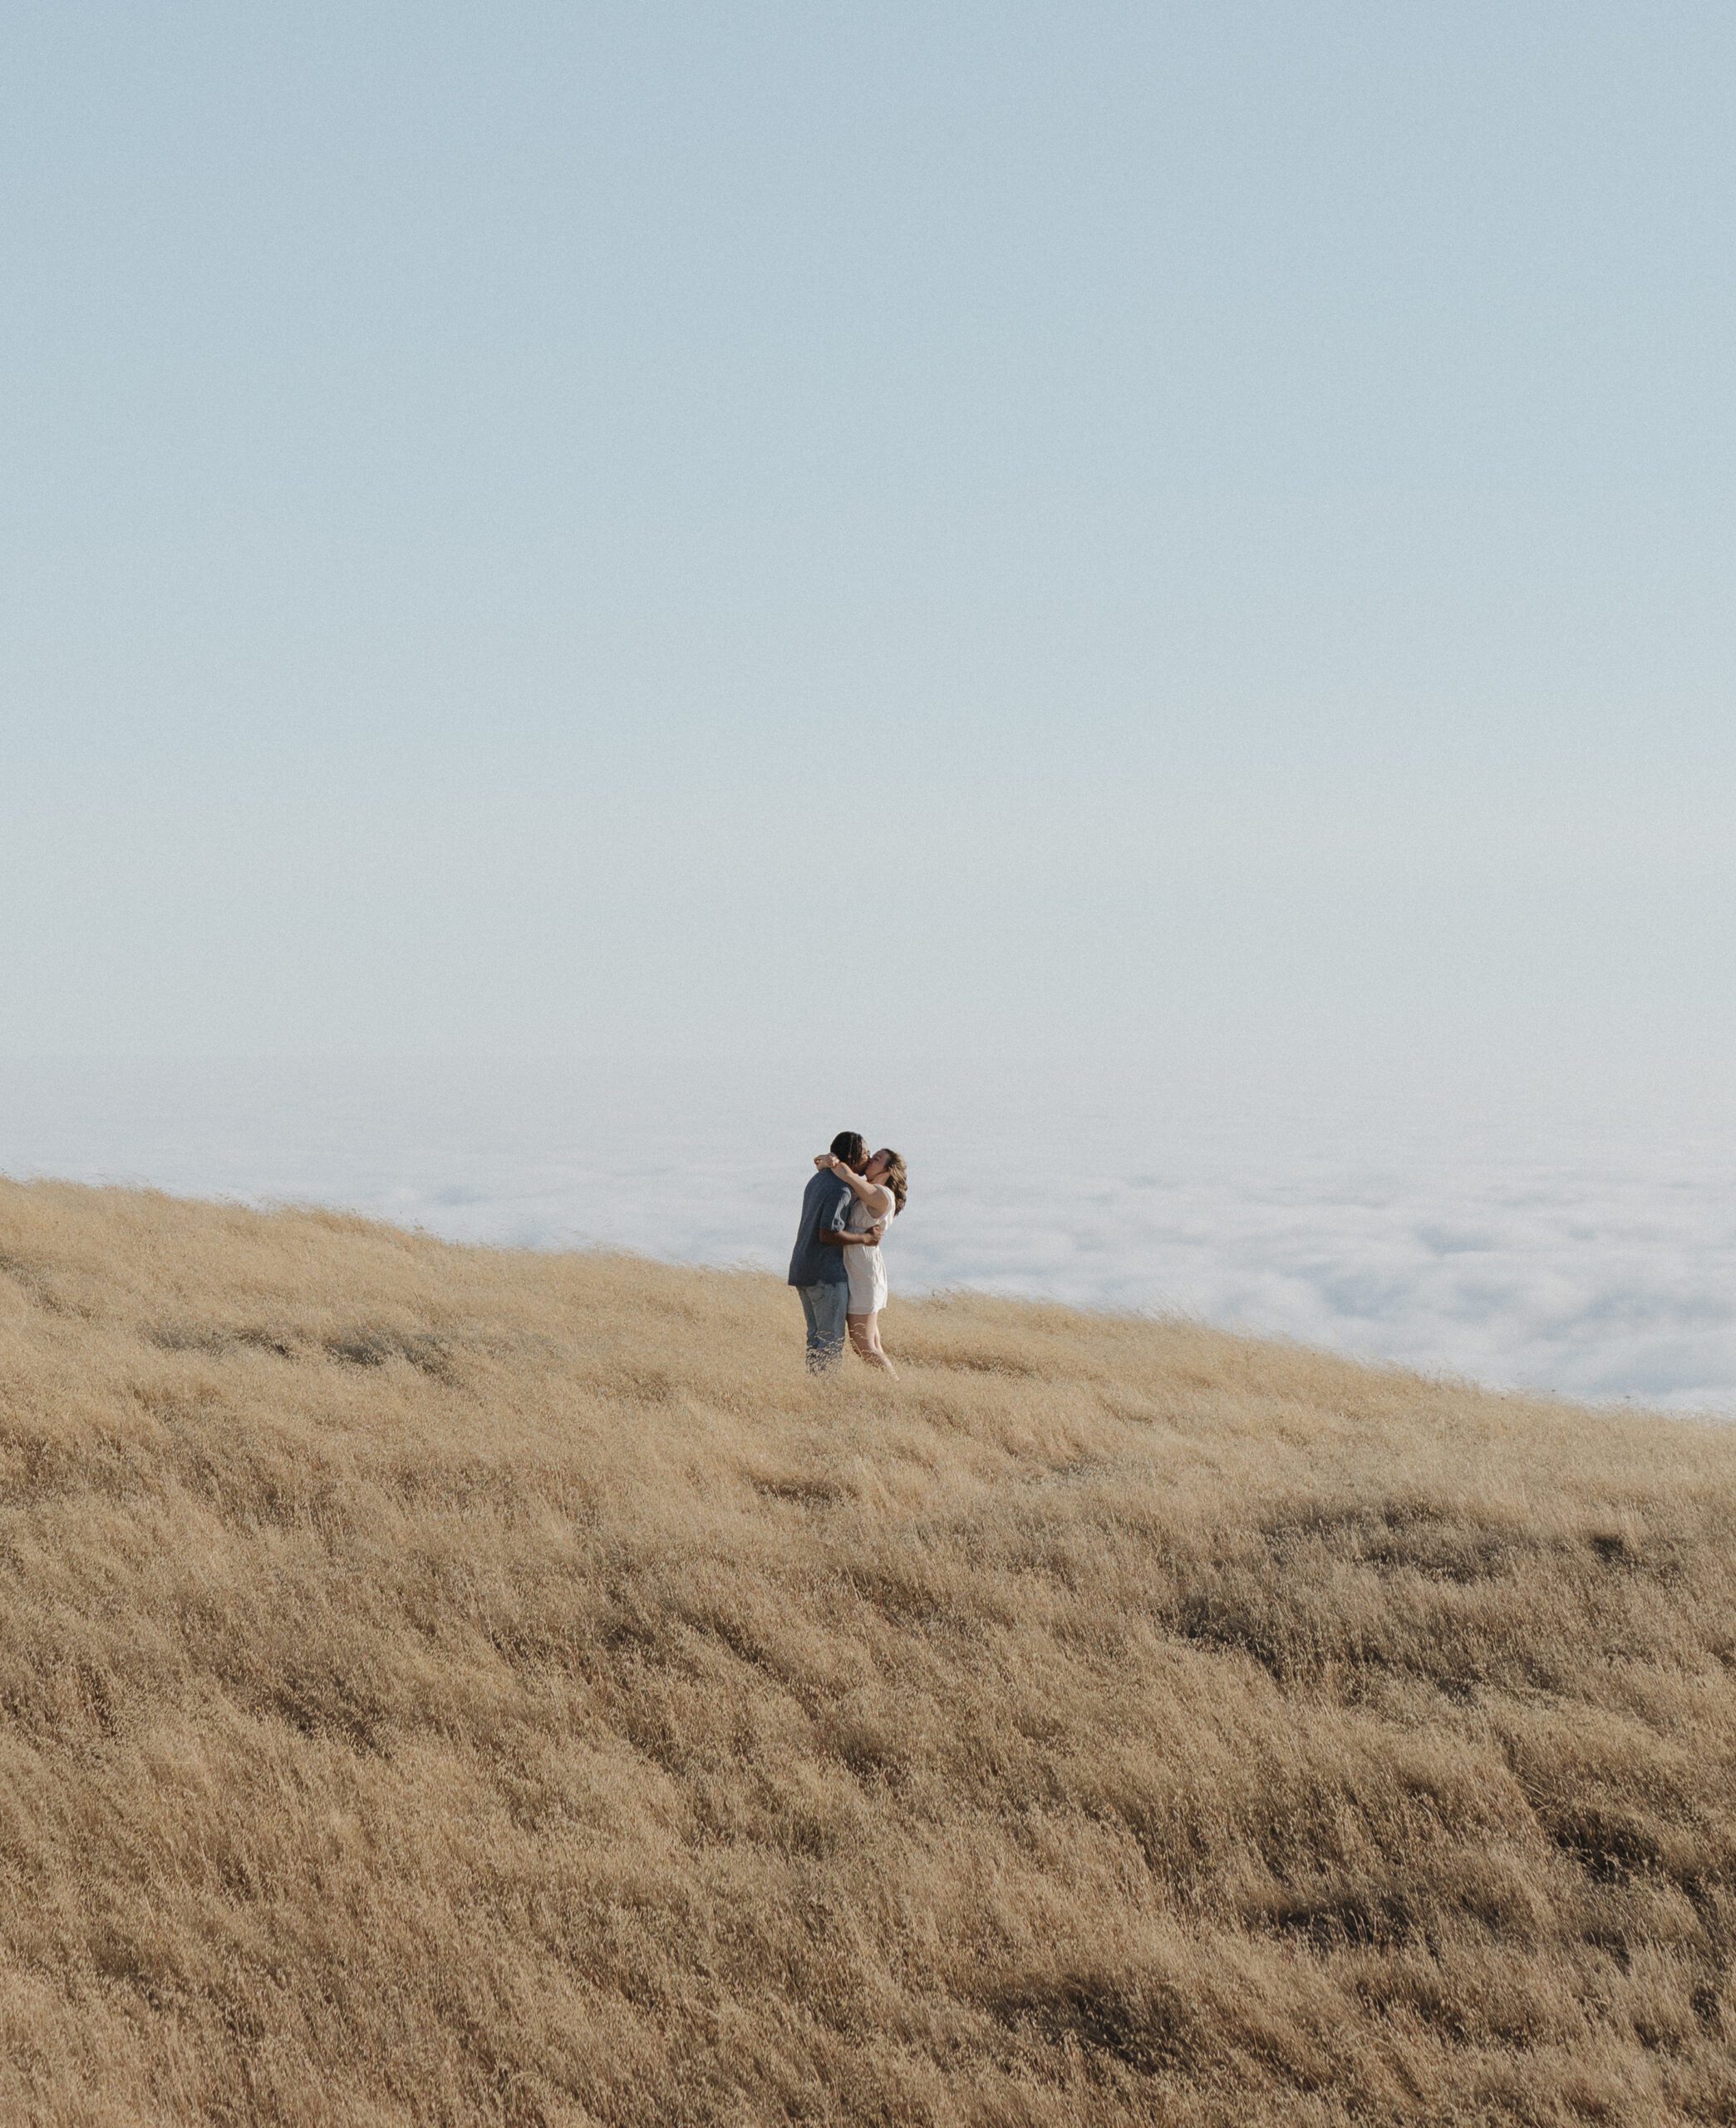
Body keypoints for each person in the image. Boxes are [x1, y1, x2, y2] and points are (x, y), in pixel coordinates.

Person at [787, 1131, 882, 1373]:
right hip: (826, 1275)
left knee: (815, 1340)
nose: (869, 1158)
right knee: (830, 1343)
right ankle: (825, 1395)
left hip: (802, 1269)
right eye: (865, 1154)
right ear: (851, 1156)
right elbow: (828, 1233)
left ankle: (814, 1389)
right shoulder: (841, 1189)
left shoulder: (818, 1178)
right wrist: (866, 1238)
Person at [814, 1145, 908, 1377]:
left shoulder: (882, 1194)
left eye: (877, 1159)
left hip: (863, 1273)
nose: (870, 1161)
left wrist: (836, 1162)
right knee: (871, 1343)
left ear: (888, 1171)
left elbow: (846, 1175)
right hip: (862, 1269)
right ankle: (893, 1387)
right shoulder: (870, 1189)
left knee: (863, 1345)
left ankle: (896, 1388)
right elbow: (825, 1168)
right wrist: (827, 1163)